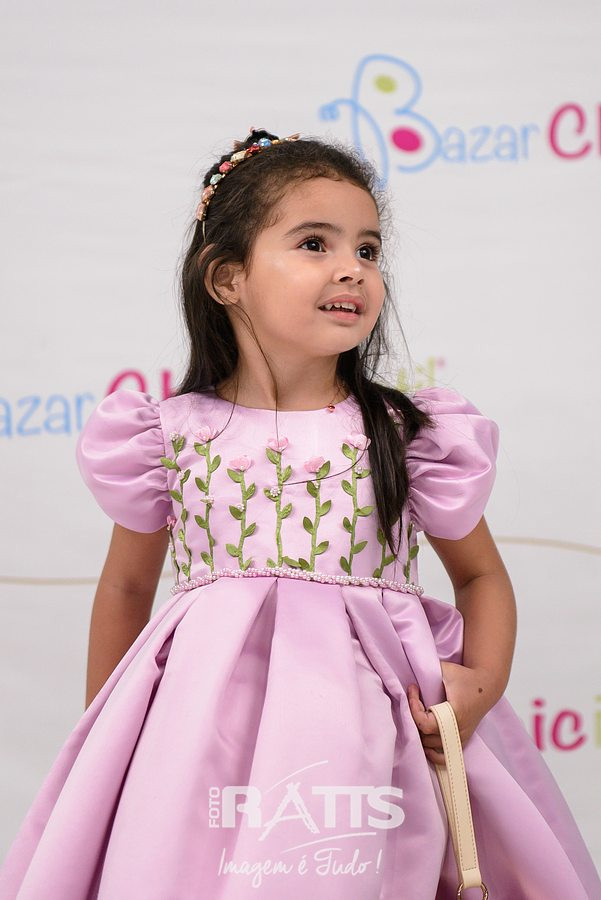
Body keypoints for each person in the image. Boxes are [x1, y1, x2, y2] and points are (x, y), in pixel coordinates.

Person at [0, 127, 599, 900]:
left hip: (372, 738)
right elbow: (124, 589)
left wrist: (480, 683)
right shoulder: (167, 437)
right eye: (315, 243)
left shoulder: (404, 435)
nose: (352, 267)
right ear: (227, 279)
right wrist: (108, 748)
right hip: (200, 742)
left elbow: (480, 576)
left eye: (368, 250)